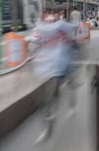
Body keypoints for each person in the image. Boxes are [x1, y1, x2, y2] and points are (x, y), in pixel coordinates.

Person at [27, 15, 79, 144]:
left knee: (65, 88)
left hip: (60, 68)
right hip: (45, 71)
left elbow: (74, 37)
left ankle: (69, 106)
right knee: (45, 101)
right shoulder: (42, 32)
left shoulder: (62, 30)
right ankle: (47, 126)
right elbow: (33, 41)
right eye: (48, 21)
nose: (50, 23)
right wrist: (29, 40)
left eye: (52, 21)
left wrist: (70, 40)